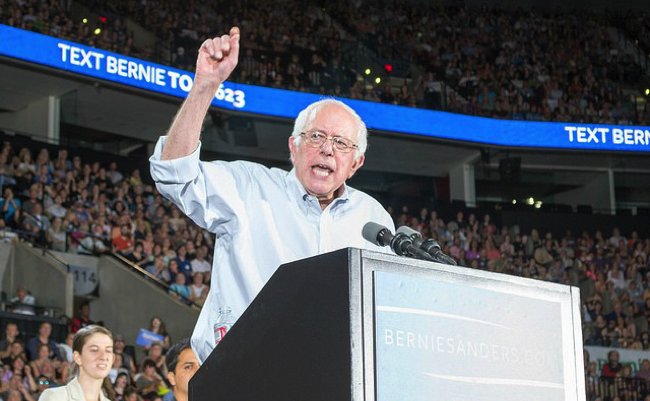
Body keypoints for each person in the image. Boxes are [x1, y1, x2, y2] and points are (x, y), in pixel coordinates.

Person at [149, 27, 394, 362]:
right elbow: (173, 174)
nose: (327, 149)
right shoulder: (249, 187)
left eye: (341, 143)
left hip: (331, 374)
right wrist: (205, 87)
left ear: (356, 163)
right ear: (294, 146)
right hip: (241, 370)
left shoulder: (373, 218)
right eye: (316, 136)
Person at [39, 325, 115, 401]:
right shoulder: (55, 397)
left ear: (113, 359)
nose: (103, 356)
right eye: (94, 350)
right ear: (77, 357)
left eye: (108, 350)